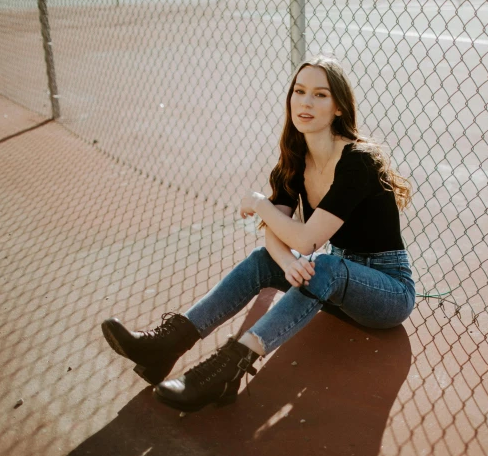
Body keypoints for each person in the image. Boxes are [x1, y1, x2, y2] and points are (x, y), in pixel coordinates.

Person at [101, 55, 416, 413]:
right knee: (264, 261)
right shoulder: (296, 159)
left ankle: (225, 370)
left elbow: (307, 241)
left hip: (386, 291)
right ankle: (169, 344)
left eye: (320, 95)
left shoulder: (359, 161)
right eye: (299, 92)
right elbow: (278, 236)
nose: (306, 102)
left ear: (340, 107)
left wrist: (258, 203)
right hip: (333, 281)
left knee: (322, 263)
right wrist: (284, 261)